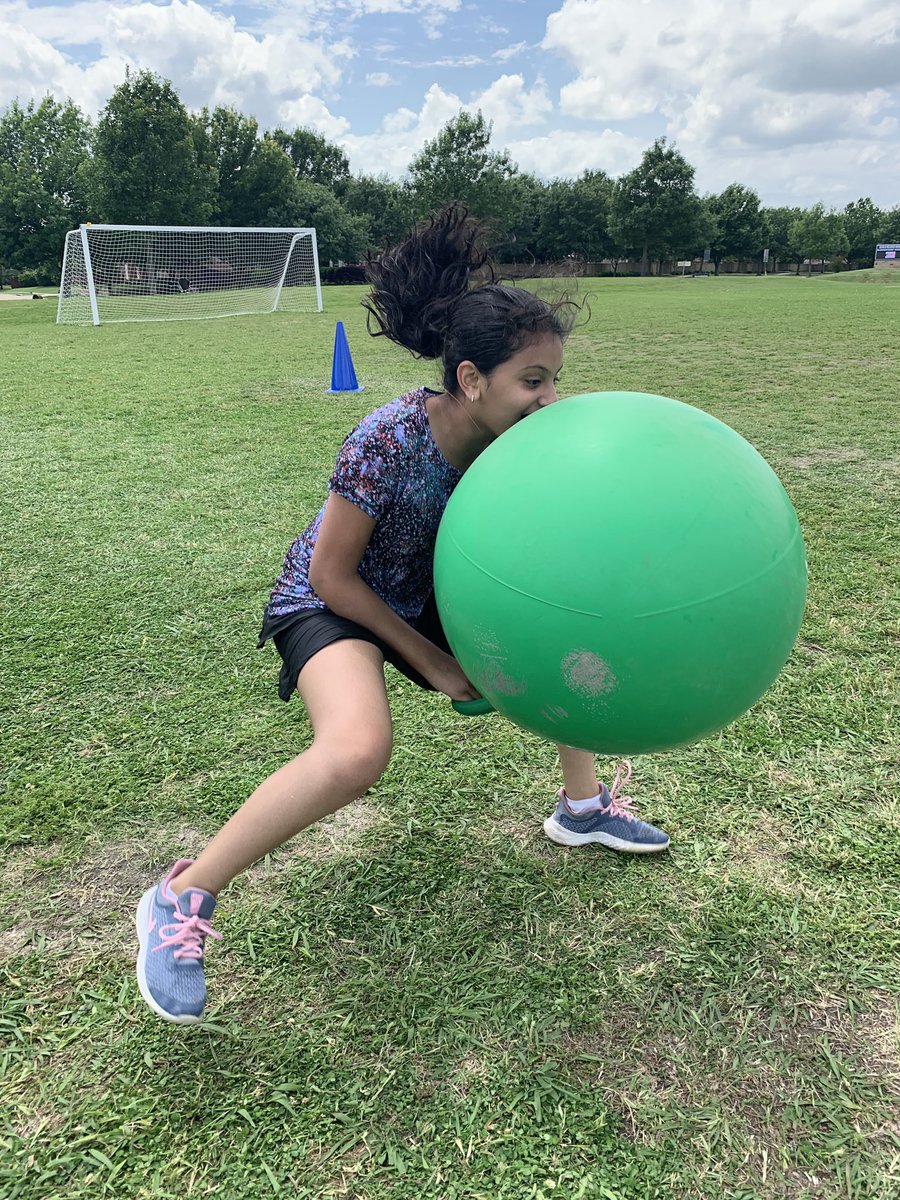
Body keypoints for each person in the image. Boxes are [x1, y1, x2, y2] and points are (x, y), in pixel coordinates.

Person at [135, 204, 669, 1026]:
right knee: (357, 750)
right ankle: (182, 894)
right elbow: (332, 573)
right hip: (334, 602)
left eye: (555, 379)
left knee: (566, 625)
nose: (551, 398)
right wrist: (433, 662)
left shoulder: (523, 447)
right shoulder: (386, 440)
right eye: (534, 381)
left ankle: (582, 807)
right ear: (470, 379)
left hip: (442, 591)